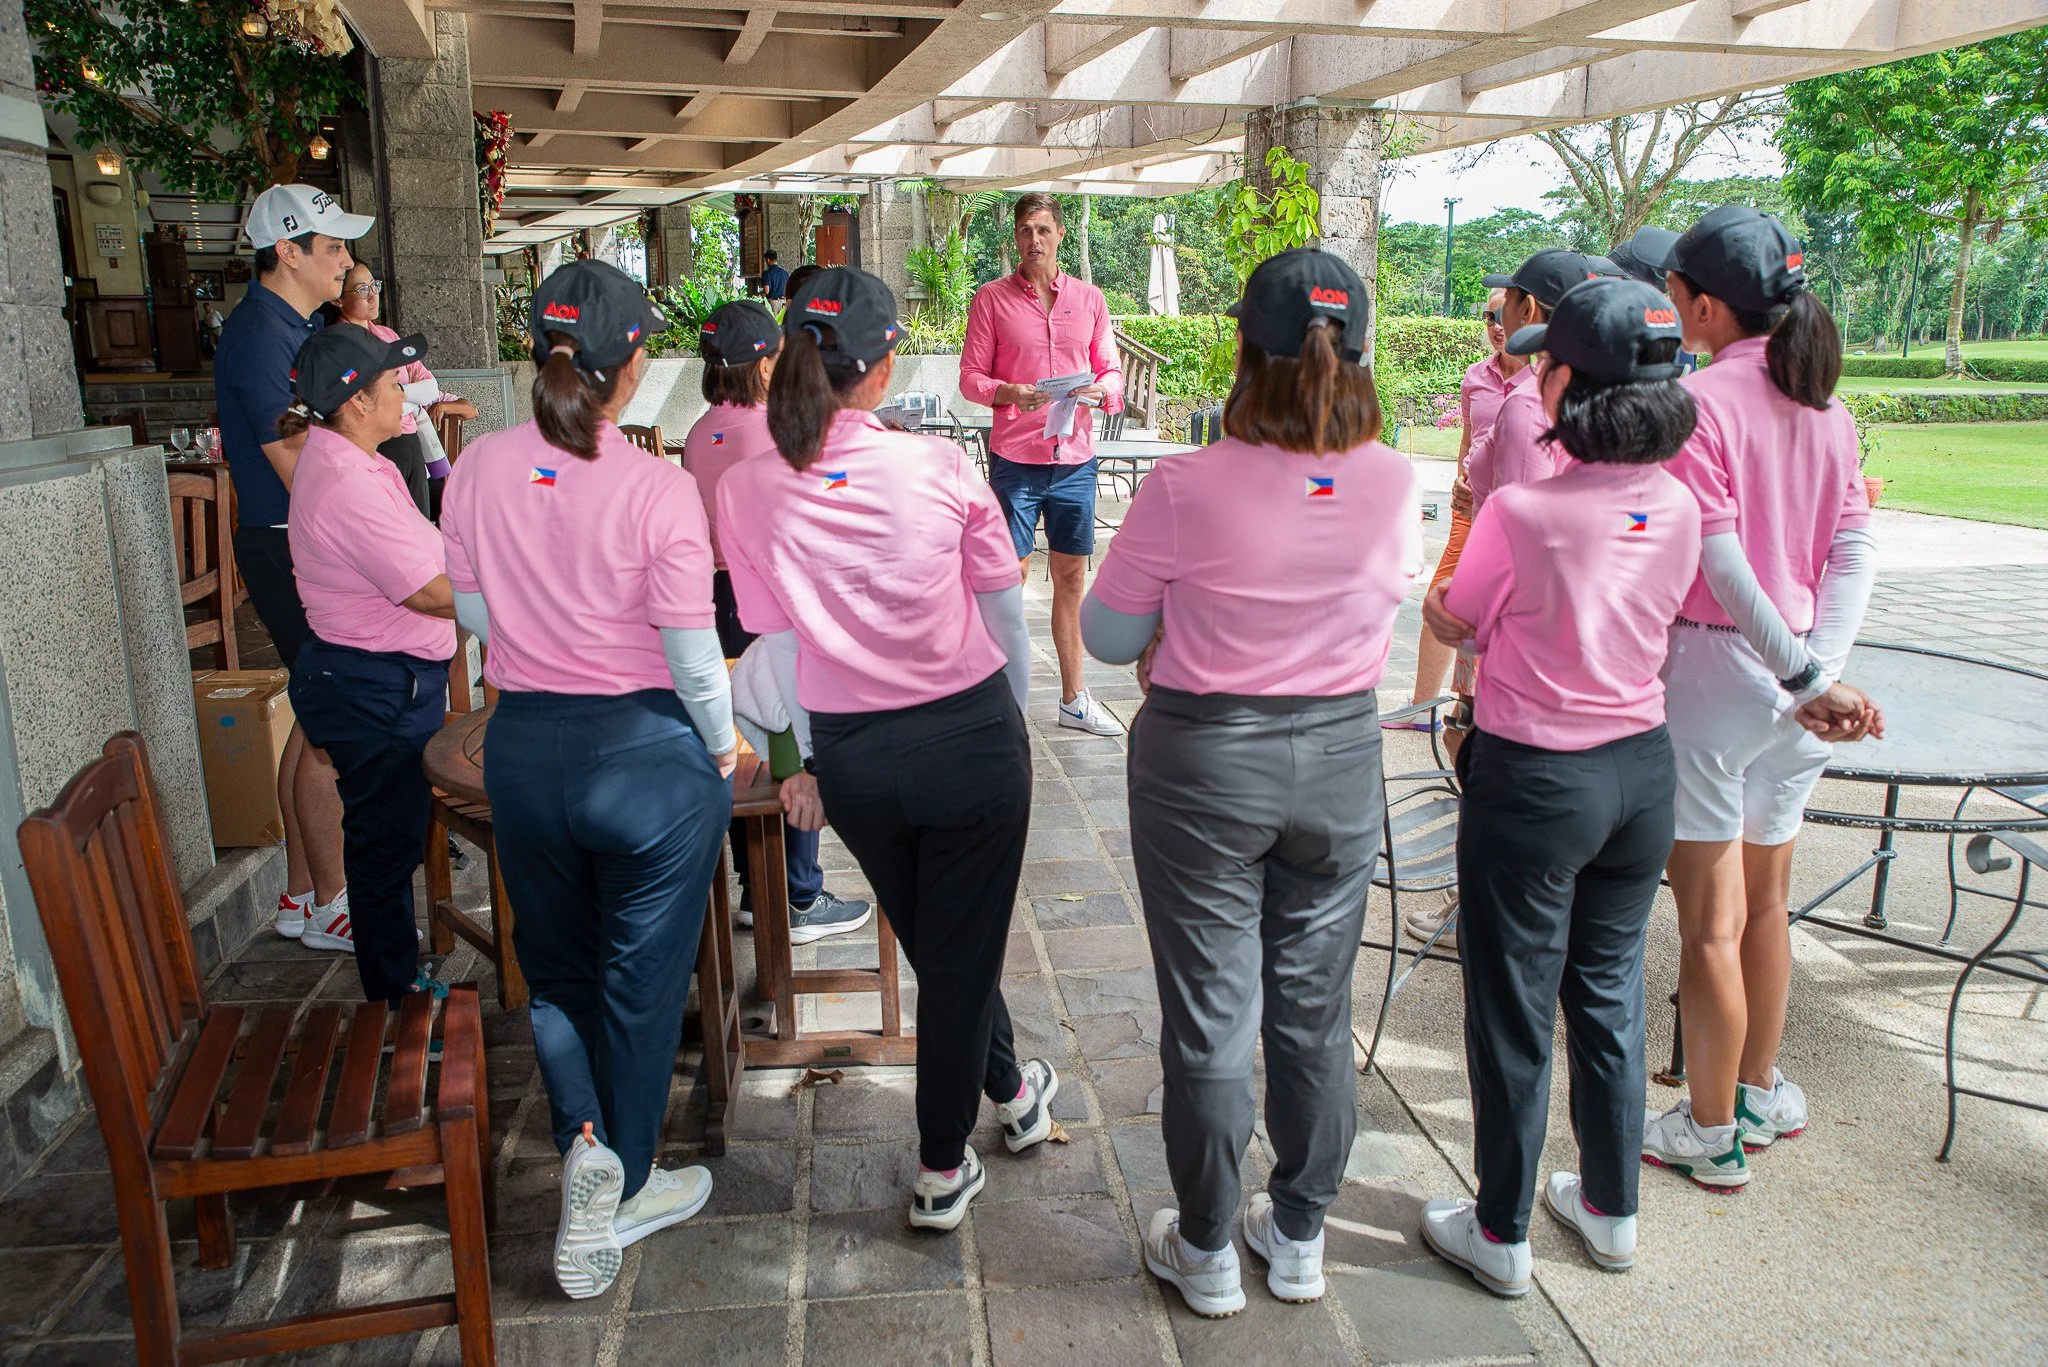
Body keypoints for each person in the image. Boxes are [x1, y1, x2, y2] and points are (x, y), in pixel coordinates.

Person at [1082, 249, 1422, 1317]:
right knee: (1312, 1009)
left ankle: (1205, 1243)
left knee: (1210, 1011)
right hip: (1335, 757)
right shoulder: (1394, 476)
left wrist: (1176, 625)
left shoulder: (1186, 483)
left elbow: (1101, 636)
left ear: (1240, 349)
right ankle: (1301, 1229)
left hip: (1204, 762)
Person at [717, 268, 1057, 1233]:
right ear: (881, 368)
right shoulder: (940, 467)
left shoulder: (744, 488)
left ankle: (1020, 1097)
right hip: (970, 738)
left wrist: (798, 765)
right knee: (957, 957)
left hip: (856, 760)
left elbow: (772, 653)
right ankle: (943, 1167)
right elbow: (1004, 618)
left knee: (947, 946)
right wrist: (1012, 726)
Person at [439, 261, 734, 1298]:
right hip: (644, 751)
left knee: (555, 970)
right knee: (639, 985)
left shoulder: (474, 464)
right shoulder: (658, 486)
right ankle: (633, 1177)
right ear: (633, 367)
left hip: (524, 750)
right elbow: (693, 653)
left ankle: (583, 1145)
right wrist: (726, 743)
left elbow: (472, 614)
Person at [1413, 278, 1703, 1295]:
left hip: (1536, 775)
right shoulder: (1675, 501)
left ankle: (1498, 1229)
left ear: (1566, 378)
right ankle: (1609, 1207)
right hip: (1639, 772)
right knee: (1607, 990)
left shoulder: (1523, 509)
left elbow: (1455, 615)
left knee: (1510, 1005)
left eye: (1543, 359)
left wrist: (1433, 595)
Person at [1639, 207, 1883, 1190]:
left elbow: (1714, 550)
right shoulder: (1826, 409)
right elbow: (1852, 546)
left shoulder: (1698, 402)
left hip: (1713, 675)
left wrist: (1802, 677)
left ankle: (1706, 1128)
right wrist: (1817, 672)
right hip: (1792, 685)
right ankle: (1758, 1087)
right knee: (1767, 904)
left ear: (1700, 305)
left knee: (1705, 920)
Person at [681, 299, 871, 944]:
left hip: (715, 598)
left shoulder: (702, 429)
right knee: (790, 739)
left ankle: (754, 886)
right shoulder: (765, 432)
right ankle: (796, 893)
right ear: (764, 366)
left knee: (746, 746)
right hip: (764, 598)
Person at [277, 326, 455, 1007]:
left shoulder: (357, 459)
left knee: (393, 831)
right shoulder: (346, 481)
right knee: (384, 843)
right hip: (375, 684)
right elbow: (427, 591)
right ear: (355, 403)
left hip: (386, 675)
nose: (404, 392)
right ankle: (396, 992)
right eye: (392, 384)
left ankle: (395, 969)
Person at [213, 184, 369, 953]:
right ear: (289, 250)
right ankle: (337, 899)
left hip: (294, 537)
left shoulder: (290, 326)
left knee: (312, 716)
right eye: (332, 246)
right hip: (287, 539)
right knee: (332, 722)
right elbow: (297, 464)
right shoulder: (259, 337)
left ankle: (303, 894)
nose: (344, 259)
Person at [959, 192, 1127, 737]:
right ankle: (1000, 704)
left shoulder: (1090, 299)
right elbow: (970, 379)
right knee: (1009, 577)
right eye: (1026, 230)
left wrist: (1103, 392)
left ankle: (1074, 698)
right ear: (1015, 237)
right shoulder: (991, 299)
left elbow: (1111, 370)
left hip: (1075, 459)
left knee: (1072, 576)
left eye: (1044, 230)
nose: (1035, 240)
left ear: (1059, 235)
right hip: (1016, 459)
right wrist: (1007, 391)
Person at [334, 262, 478, 517]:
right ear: (338, 299)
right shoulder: (338, 342)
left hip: (410, 440)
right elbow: (363, 396)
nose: (373, 295)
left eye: (374, 285)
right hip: (375, 444)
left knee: (419, 523)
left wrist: (399, 393)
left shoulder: (388, 335)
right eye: (362, 289)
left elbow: (430, 387)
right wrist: (409, 395)